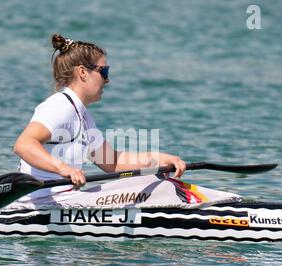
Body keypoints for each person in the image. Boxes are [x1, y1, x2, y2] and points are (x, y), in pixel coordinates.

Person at [13, 34, 186, 190]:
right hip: (40, 203)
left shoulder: (83, 117)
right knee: (155, 188)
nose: (108, 80)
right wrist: (63, 168)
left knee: (151, 180)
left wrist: (157, 160)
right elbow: (24, 144)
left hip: (65, 200)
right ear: (82, 72)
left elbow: (112, 162)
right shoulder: (60, 106)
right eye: (104, 71)